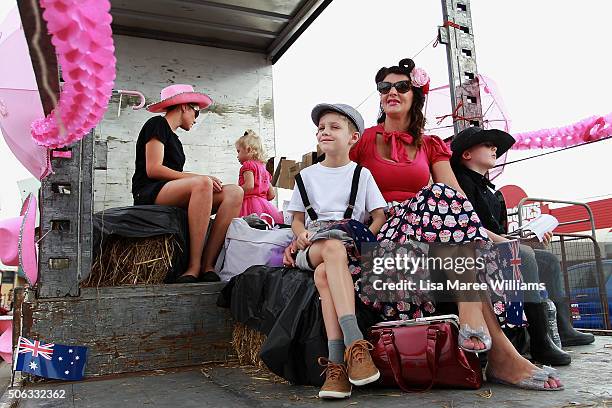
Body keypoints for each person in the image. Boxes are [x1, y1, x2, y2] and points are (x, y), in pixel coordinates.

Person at [347, 58, 563, 390]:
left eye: (401, 86)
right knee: (437, 194)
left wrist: (497, 238)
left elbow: (458, 201)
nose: (392, 91)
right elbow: (337, 184)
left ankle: (491, 338)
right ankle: (497, 348)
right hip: (387, 231)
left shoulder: (430, 144)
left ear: (415, 94)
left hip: (433, 229)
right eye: (384, 87)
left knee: (444, 197)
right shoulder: (362, 142)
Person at [451, 126, 593, 364]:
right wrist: (515, 245)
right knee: (524, 255)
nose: (494, 148)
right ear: (466, 154)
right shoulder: (461, 183)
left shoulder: (491, 192)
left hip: (493, 247)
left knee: (546, 258)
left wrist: (529, 238)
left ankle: (562, 328)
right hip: (469, 248)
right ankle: (539, 341)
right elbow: (467, 225)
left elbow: (501, 234)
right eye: (487, 144)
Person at [286, 103, 387, 399]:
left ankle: (336, 367)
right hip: (316, 245)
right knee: (329, 251)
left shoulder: (362, 175)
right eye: (321, 128)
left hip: (349, 244)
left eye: (334, 127)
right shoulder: (305, 177)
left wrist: (366, 239)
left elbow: (379, 214)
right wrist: (300, 234)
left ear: (353, 137)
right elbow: (296, 219)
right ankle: (356, 343)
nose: (325, 132)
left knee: (324, 277)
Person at [131, 84, 243, 283]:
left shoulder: (175, 139)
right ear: (184, 106)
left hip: (169, 191)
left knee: (234, 192)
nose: (195, 118)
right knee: (202, 183)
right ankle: (193, 266)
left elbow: (180, 176)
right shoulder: (156, 124)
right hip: (149, 191)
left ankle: (209, 265)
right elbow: (153, 169)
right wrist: (200, 178)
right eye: (196, 111)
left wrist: (200, 179)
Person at [235, 130, 283, 225]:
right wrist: (261, 199)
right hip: (265, 207)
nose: (237, 156)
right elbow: (271, 195)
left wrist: (235, 190)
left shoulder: (247, 165)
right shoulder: (264, 170)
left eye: (238, 151)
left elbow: (249, 186)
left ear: (248, 150)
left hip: (248, 206)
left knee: (246, 229)